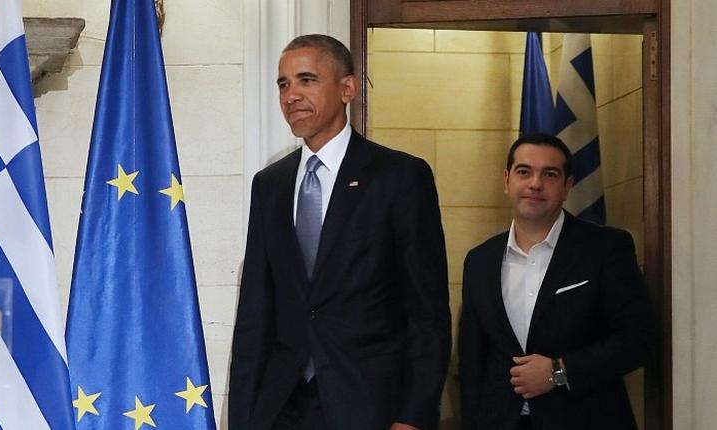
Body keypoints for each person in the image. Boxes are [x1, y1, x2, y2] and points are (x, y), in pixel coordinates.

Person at [229, 34, 451, 430]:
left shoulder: (399, 177)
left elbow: (426, 312)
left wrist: (414, 415)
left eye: (307, 80)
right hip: (282, 408)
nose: (291, 95)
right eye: (283, 84)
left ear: (347, 88)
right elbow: (255, 314)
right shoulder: (270, 184)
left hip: (370, 406)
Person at [458, 133, 653, 430]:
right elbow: (472, 364)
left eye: (549, 174)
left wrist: (559, 371)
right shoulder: (479, 261)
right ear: (507, 180)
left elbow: (639, 339)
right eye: (524, 172)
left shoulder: (605, 248)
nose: (535, 183)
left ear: (567, 186)